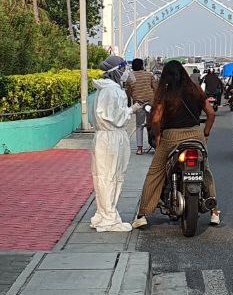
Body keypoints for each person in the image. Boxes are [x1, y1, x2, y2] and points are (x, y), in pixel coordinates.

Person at [132, 60, 221, 229]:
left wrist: (158, 135)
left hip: (171, 137)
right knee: (205, 170)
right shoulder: (195, 90)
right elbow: (211, 114)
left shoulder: (165, 93)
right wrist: (206, 133)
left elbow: (156, 119)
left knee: (155, 172)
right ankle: (214, 211)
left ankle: (142, 215)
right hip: (195, 135)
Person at [90, 55, 134, 232]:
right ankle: (109, 218)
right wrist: (131, 110)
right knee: (112, 177)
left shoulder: (102, 89)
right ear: (117, 71)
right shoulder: (114, 91)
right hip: (112, 139)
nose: (126, 72)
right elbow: (116, 118)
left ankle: (103, 213)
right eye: (123, 69)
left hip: (102, 138)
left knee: (102, 177)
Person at [125, 57, 157, 154]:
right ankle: (156, 145)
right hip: (150, 103)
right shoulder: (149, 75)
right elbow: (155, 88)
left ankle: (139, 149)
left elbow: (128, 92)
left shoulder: (130, 77)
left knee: (139, 125)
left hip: (138, 104)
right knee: (153, 124)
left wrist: (130, 101)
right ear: (142, 66)